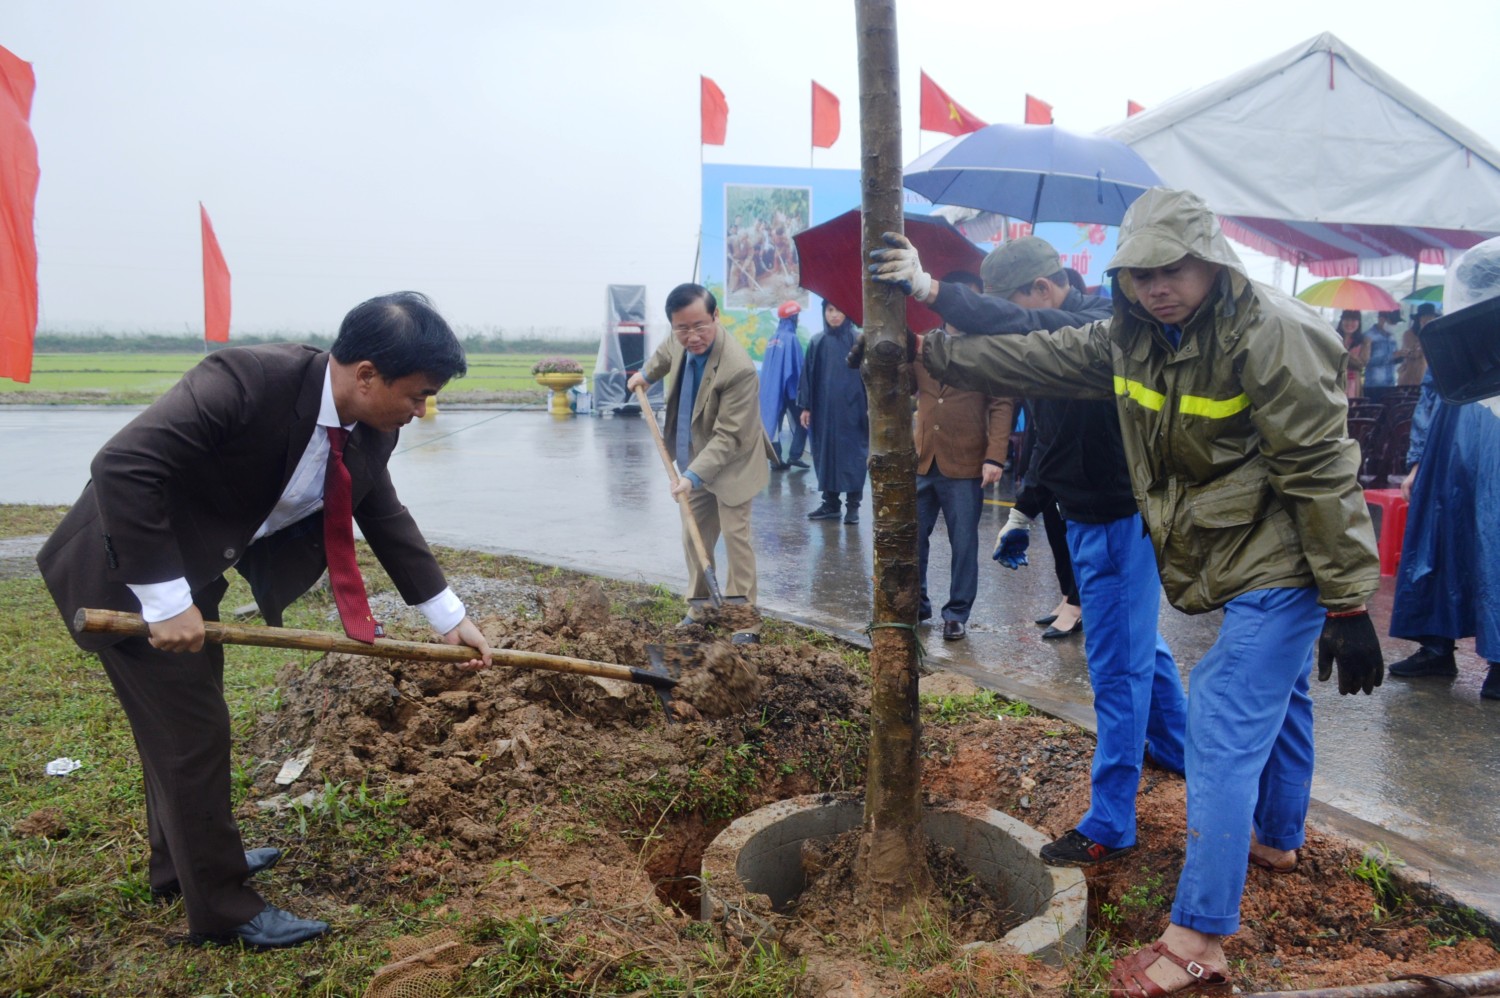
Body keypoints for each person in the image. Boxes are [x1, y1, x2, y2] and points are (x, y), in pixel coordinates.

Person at [871, 188, 1382, 998]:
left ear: (1211, 259)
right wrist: (928, 357)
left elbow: (1322, 467)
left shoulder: (1275, 335)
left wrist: (1350, 603)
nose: (1157, 285)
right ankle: (1279, 837)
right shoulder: (1135, 337)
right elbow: (1038, 356)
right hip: (1232, 548)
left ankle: (1199, 939)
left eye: (1173, 269)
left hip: (1286, 556)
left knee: (1220, 712)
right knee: (1279, 697)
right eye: (1141, 273)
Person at [36, 291, 494, 950]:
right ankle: (221, 906)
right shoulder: (244, 382)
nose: (422, 412)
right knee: (192, 735)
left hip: (193, 572)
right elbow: (123, 465)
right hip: (127, 571)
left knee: (182, 729)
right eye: (418, 395)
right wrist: (164, 600)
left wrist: (448, 616)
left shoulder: (374, 426)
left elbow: (382, 511)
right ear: (366, 374)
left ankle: (179, 863)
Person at [891, 237, 1189, 866]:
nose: (1010, 317)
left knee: (1116, 665)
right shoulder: (1053, 344)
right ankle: (1180, 749)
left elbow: (1027, 330)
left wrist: (932, 292)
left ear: (1042, 289)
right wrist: (1025, 510)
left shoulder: (1100, 323)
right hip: (1084, 515)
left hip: (1119, 514)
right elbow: (1050, 436)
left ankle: (1111, 823)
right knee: (1139, 642)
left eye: (1008, 304)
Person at [628, 284, 775, 644]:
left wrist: (691, 477)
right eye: (683, 328)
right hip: (696, 455)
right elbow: (664, 354)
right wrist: (645, 376)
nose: (692, 336)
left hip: (735, 460)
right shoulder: (678, 340)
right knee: (693, 534)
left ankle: (744, 621)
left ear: (715, 317)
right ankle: (702, 607)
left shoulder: (738, 369)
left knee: (736, 538)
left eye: (700, 326)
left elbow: (729, 438)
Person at [1387, 238, 1500, 700]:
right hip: (1450, 445)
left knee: (1492, 542)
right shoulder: (1458, 328)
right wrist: (1417, 459)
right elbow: (1432, 391)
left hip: (1488, 444)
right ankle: (1436, 646)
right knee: (1439, 540)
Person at [912, 270, 1014, 641]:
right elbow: (903, 386)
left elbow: (1003, 404)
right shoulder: (924, 346)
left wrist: (995, 457)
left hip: (967, 462)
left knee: (964, 542)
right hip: (923, 459)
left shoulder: (988, 350)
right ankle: (917, 602)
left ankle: (956, 612)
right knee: (912, 537)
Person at [797, 300, 869, 524]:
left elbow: (872, 377)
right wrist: (806, 406)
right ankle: (831, 504)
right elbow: (808, 376)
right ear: (824, 312)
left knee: (854, 457)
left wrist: (871, 407)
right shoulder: (817, 342)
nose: (834, 315)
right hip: (825, 411)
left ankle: (853, 507)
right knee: (825, 454)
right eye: (830, 310)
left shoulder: (860, 340)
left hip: (855, 410)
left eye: (839, 309)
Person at [759, 300, 808, 471]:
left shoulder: (772, 339)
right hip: (790, 391)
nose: (798, 320)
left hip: (772, 392)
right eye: (797, 317)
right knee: (804, 421)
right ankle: (795, 455)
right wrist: (801, 394)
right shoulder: (792, 338)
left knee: (775, 425)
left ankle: (776, 459)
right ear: (793, 318)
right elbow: (797, 369)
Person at [1394, 302, 1437, 386]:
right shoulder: (1409, 334)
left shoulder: (1435, 335)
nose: (1429, 319)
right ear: (1419, 319)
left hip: (1428, 379)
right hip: (1410, 378)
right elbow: (1413, 353)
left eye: (1431, 317)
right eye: (1425, 316)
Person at [1361, 310, 1400, 401]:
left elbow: (1394, 358)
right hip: (1374, 385)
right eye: (1392, 322)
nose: (1394, 325)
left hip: (1390, 384)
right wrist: (1391, 356)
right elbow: (1366, 361)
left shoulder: (1392, 337)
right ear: (1381, 319)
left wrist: (1401, 356)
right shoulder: (1369, 336)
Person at [1337, 310, 1367, 398]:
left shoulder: (1364, 341)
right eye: (1346, 319)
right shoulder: (1334, 338)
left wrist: (1344, 354)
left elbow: (1361, 364)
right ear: (1341, 321)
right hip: (1335, 382)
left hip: (1353, 383)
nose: (1349, 323)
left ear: (1359, 322)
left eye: (1353, 320)